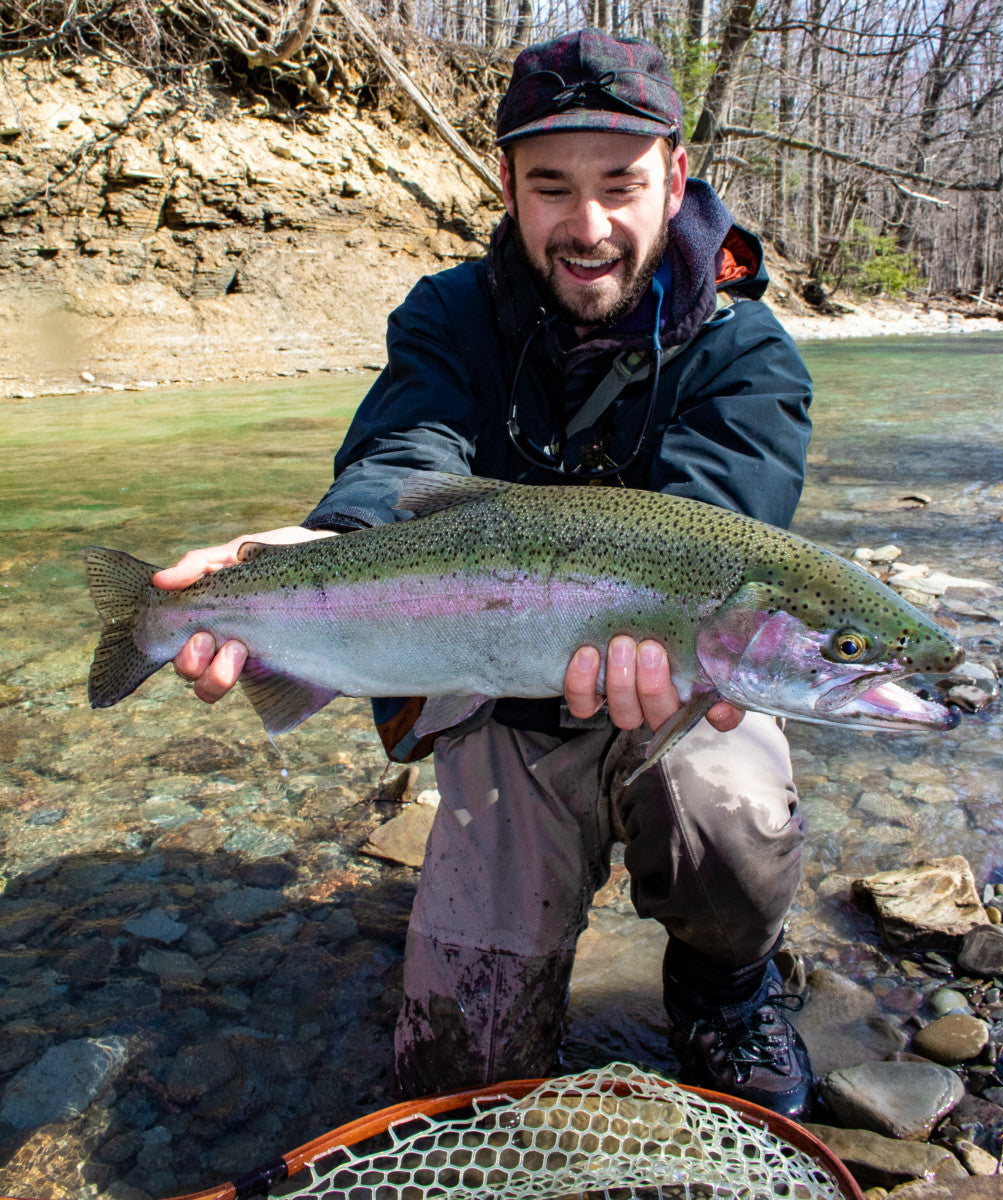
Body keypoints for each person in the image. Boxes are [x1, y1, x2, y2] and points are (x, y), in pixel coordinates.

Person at [154, 30, 816, 1118]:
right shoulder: (450, 317)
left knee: (730, 800)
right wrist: (331, 545)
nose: (587, 224)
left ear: (675, 179)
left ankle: (722, 987)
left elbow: (718, 538)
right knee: (460, 1084)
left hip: (678, 702)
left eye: (621, 185)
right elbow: (405, 452)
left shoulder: (745, 356)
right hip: (498, 714)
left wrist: (658, 634)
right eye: (550, 186)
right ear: (505, 184)